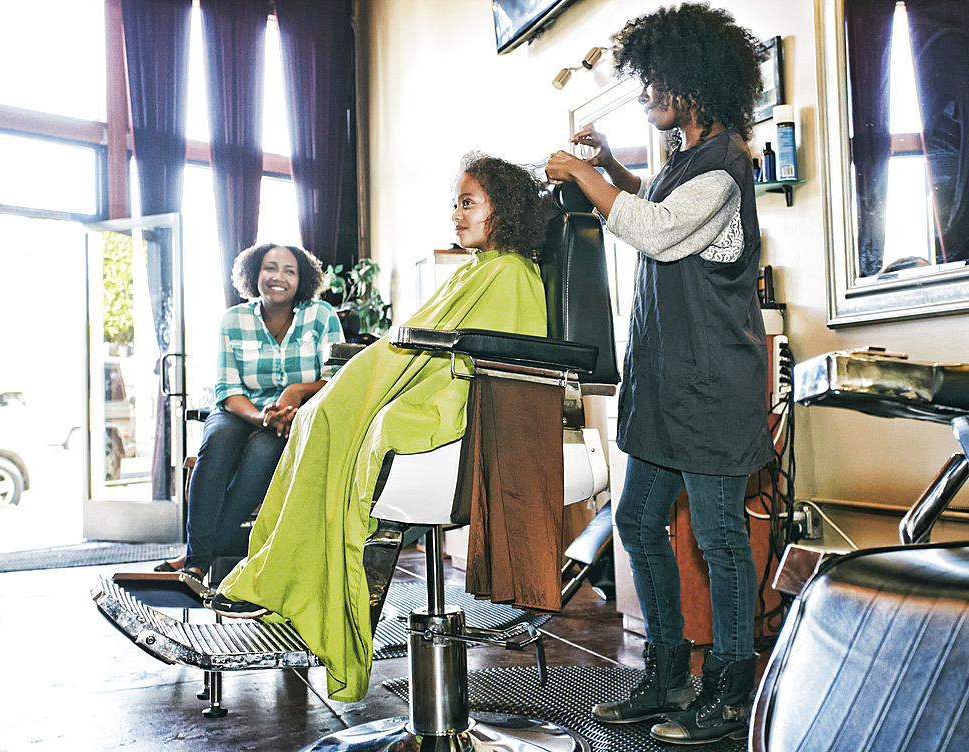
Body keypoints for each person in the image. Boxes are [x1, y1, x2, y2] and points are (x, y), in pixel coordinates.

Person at [206, 153, 550, 703]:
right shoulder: (480, 268)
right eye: (454, 205)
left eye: (468, 203)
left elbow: (489, 356)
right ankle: (278, 574)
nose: (456, 216)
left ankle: (290, 581)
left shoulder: (509, 273)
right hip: (428, 383)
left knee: (337, 422)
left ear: (502, 210)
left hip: (473, 414)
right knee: (314, 421)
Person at [545, 3, 774, 745]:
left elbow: (660, 231)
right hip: (666, 384)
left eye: (652, 80)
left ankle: (731, 691)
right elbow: (654, 205)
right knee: (641, 524)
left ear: (694, 80)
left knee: (719, 539)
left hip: (710, 389)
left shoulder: (728, 163)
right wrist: (611, 164)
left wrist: (583, 175)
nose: (644, 92)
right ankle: (668, 674)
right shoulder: (683, 160)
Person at [155, 243, 344, 580]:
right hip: (241, 409)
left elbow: (336, 379)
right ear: (254, 273)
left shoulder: (321, 316)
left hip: (294, 416)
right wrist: (261, 417)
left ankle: (200, 559)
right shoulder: (233, 320)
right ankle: (198, 557)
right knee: (218, 440)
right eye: (270, 268)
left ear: (303, 280)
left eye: (290, 271)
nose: (279, 277)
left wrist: (297, 391)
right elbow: (227, 390)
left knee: (262, 451)